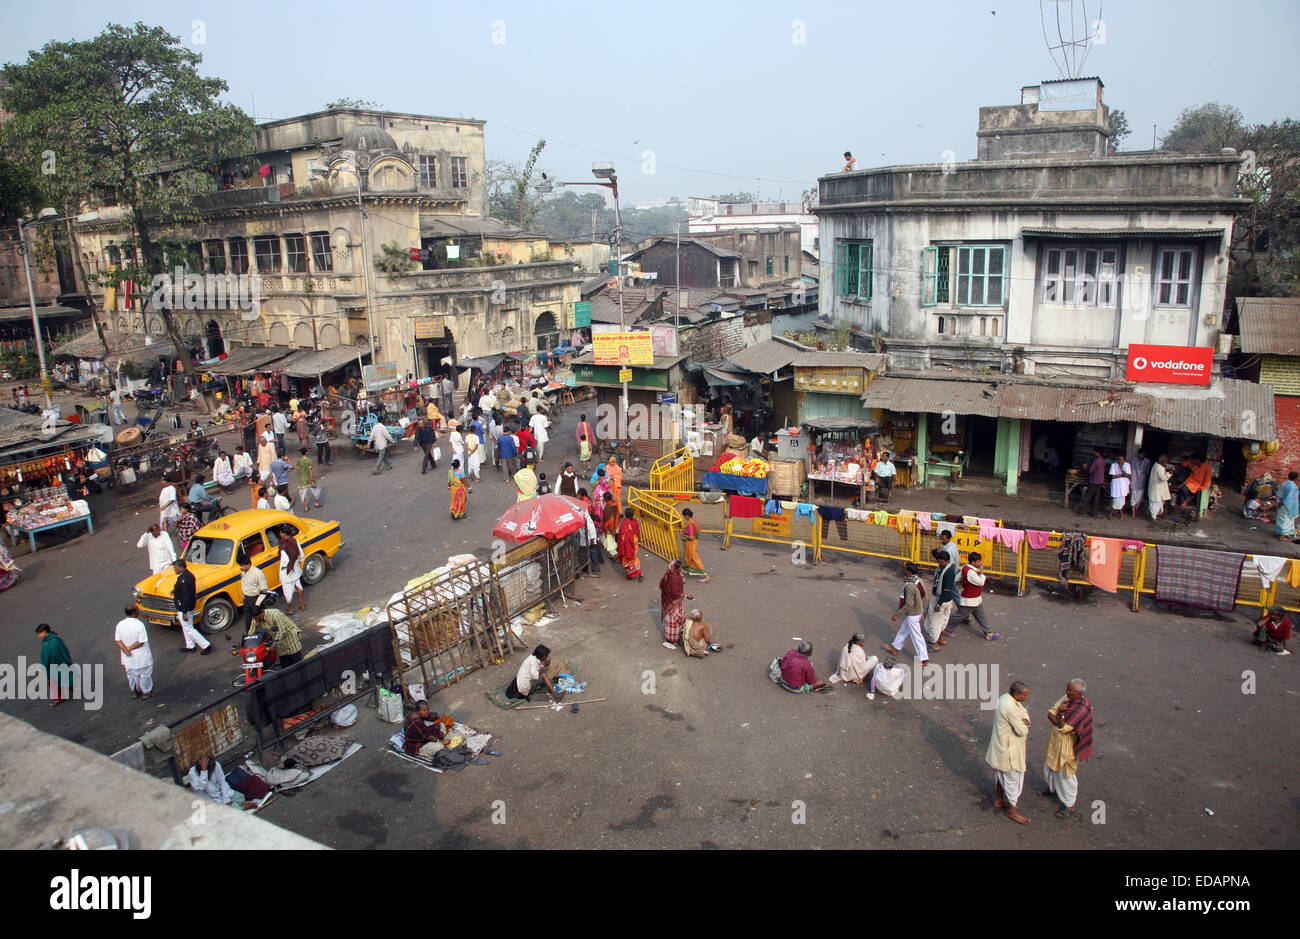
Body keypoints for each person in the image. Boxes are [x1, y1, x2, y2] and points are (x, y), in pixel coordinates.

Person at [1041, 678, 1094, 818]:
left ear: (1079, 694)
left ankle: (1070, 805)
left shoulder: (1082, 708)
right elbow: (1050, 714)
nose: (1066, 692)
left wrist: (1061, 715)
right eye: (1067, 689)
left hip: (1067, 747)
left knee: (1065, 775)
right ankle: (1053, 789)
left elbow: (1063, 727)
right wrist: (1059, 720)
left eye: (1070, 691)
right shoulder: (1067, 698)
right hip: (1055, 741)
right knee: (1049, 767)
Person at [986, 680, 1032, 825]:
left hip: (1001, 745)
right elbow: (1022, 730)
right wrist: (1024, 722)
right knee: (1013, 778)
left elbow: (1024, 714)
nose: (1026, 698)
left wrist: (1024, 719)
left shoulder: (1005, 698)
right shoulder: (1010, 707)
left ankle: (999, 799)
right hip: (1010, 748)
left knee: (1001, 772)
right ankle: (1012, 810)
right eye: (1024, 695)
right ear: (1017, 695)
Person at [885, 561, 929, 662]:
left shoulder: (910, 585)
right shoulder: (918, 581)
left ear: (909, 572)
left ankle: (924, 658)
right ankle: (896, 648)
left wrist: (897, 614)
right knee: (904, 629)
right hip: (916, 612)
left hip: (912, 613)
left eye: (905, 570)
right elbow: (924, 597)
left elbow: (908, 604)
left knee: (916, 636)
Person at [954, 551, 999, 641]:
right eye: (978, 562)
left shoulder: (965, 568)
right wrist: (982, 572)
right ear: (973, 562)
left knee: (981, 616)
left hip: (975, 599)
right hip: (970, 599)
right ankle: (946, 629)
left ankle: (988, 633)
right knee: (958, 616)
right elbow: (980, 582)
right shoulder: (970, 572)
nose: (980, 564)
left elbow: (957, 578)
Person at [172, 559, 212, 654]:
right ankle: (190, 645)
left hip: (184, 608)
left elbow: (186, 596)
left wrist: (185, 612)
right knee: (186, 627)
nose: (175, 570)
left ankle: (206, 645)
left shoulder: (184, 579)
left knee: (189, 628)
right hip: (184, 607)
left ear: (181, 568)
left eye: (176, 568)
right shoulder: (185, 576)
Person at [115, 604, 154, 700]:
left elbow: (117, 640)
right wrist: (130, 649)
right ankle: (145, 692)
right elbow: (141, 641)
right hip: (141, 656)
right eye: (137, 610)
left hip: (127, 657)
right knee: (145, 674)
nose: (139, 611)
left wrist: (125, 650)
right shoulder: (139, 624)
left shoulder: (120, 624)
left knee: (131, 674)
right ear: (134, 612)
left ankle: (135, 692)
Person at [926, 548, 958, 648]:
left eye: (941, 562)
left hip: (941, 600)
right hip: (945, 600)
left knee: (934, 623)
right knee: (943, 621)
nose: (939, 564)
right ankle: (941, 638)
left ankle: (935, 644)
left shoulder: (949, 573)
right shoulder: (943, 568)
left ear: (948, 561)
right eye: (938, 562)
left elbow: (946, 590)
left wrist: (938, 604)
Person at [36, 623, 75, 707]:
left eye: (39, 633)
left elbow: (46, 656)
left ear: (44, 632)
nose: (38, 636)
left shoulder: (52, 641)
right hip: (57, 664)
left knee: (54, 682)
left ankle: (59, 698)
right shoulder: (50, 639)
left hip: (55, 665)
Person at [659, 560, 692, 649]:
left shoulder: (671, 574)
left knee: (675, 620)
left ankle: (674, 638)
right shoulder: (673, 578)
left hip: (671, 601)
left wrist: (681, 576)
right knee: (674, 620)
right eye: (680, 567)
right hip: (673, 602)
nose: (682, 569)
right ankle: (671, 640)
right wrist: (686, 596)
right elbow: (675, 593)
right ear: (676, 568)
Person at [238, 553, 271, 630]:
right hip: (247, 600)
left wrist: (257, 605)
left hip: (256, 600)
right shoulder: (243, 573)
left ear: (248, 564)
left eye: (242, 565)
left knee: (262, 622)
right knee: (248, 623)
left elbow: (264, 591)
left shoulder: (258, 574)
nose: (241, 567)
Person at [278, 530, 306, 611]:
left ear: (284, 534)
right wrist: (297, 561)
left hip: (287, 570)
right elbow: (301, 554)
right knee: (298, 585)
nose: (280, 534)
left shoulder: (283, 545)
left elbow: (285, 559)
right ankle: (302, 605)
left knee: (287, 591)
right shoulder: (294, 541)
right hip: (296, 567)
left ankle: (290, 609)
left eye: (281, 533)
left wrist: (286, 566)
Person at [680, 507, 710, 582]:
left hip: (691, 544)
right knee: (688, 557)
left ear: (686, 516)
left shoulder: (690, 524)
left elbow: (691, 537)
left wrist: (684, 535)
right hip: (694, 543)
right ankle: (683, 571)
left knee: (693, 558)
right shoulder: (694, 522)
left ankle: (706, 576)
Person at [616, 506, 643, 581]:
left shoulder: (624, 523)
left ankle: (630, 575)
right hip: (635, 541)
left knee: (626, 558)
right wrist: (639, 541)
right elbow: (638, 532)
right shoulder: (635, 521)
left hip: (626, 544)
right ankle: (640, 573)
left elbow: (621, 535)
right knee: (634, 557)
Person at [577, 496, 602, 576]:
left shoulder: (586, 518)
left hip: (589, 540)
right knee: (588, 554)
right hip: (585, 540)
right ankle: (588, 569)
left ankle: (593, 568)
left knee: (591, 554)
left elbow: (591, 529)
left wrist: (592, 540)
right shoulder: (582, 516)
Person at [1079, 447, 1107, 516]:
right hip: (1100, 480)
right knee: (1096, 497)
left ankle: (1082, 510)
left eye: (1094, 452)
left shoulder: (1096, 460)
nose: (1094, 453)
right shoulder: (1103, 460)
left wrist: (1085, 467)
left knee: (1088, 496)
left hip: (1094, 480)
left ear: (1097, 452)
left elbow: (1091, 471)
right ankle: (1094, 511)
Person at [1107, 451, 1131, 520]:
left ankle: (1118, 514)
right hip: (1116, 485)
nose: (1121, 461)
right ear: (1117, 460)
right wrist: (1123, 475)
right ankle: (1111, 514)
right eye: (1119, 460)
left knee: (1122, 501)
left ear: (1124, 460)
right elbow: (1113, 476)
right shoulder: (1113, 465)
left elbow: (1128, 475)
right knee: (1116, 500)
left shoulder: (1127, 465)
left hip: (1124, 485)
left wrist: (1122, 470)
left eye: (1122, 460)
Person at [1275, 471, 1299, 542]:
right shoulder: (1292, 486)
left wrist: (1279, 502)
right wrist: (1281, 503)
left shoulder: (1284, 483)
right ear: (1296, 478)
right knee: (1285, 520)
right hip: (1287, 505)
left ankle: (1280, 533)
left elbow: (1279, 493)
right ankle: (1282, 536)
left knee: (1281, 519)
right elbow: (1288, 498)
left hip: (1281, 503)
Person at [1148, 454, 1172, 521]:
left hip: (1157, 489)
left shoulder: (1157, 465)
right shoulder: (1159, 467)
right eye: (1166, 460)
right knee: (1155, 504)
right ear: (1162, 460)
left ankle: (1154, 516)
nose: (1166, 462)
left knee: (1158, 503)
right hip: (1156, 489)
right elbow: (1163, 478)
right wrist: (1170, 473)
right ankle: (1153, 518)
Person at [1129, 449, 1151, 519]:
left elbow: (1147, 472)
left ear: (1144, 455)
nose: (1141, 455)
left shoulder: (1147, 461)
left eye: (1142, 454)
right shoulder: (1133, 460)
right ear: (1138, 454)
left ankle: (1136, 509)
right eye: (1140, 454)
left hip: (1142, 481)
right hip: (1133, 480)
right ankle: (1133, 512)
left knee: (1139, 498)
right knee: (1133, 497)